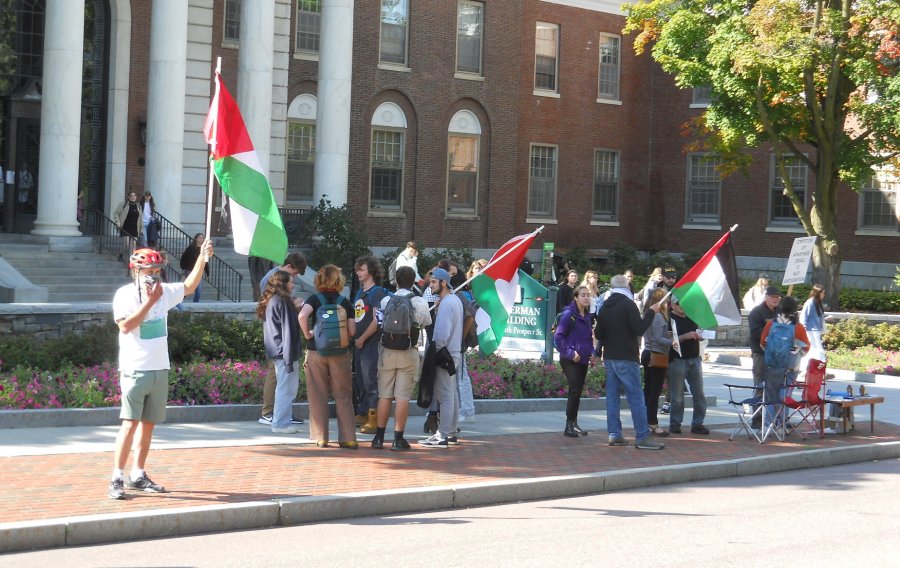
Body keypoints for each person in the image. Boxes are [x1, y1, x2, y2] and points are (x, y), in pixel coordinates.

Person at [108, 241, 212, 499]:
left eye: (157, 271)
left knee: (148, 425)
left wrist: (202, 258)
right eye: (148, 271)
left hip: (159, 367)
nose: (154, 276)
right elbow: (125, 326)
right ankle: (116, 477)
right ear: (136, 271)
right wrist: (149, 303)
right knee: (129, 424)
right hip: (135, 368)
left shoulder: (164, 292)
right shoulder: (125, 295)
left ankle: (138, 474)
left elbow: (189, 286)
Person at [594, 274, 665, 450]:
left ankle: (615, 434)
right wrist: (651, 312)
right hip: (626, 356)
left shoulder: (604, 306)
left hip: (610, 356)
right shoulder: (628, 304)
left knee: (612, 398)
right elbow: (639, 328)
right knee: (636, 398)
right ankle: (642, 436)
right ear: (626, 287)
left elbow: (599, 334)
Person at [298, 264, 358, 448]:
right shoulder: (345, 302)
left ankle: (321, 437)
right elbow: (352, 330)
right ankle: (348, 438)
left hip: (317, 351)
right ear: (338, 281)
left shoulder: (314, 299)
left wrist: (308, 334)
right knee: (344, 395)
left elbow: (302, 316)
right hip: (340, 353)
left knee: (317, 394)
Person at [372, 266, 431, 450]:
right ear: (413, 281)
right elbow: (426, 322)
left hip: (387, 351)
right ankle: (398, 439)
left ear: (396, 280)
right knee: (402, 397)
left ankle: (379, 438)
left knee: (384, 396)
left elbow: (379, 322)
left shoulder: (386, 300)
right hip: (408, 351)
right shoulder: (419, 301)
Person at [256, 253, 308, 427]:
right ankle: (270, 413)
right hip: (278, 341)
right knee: (278, 377)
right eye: (293, 276)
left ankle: (281, 413)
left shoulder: (280, 294)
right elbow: (281, 321)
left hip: (276, 339)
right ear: (288, 267)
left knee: (282, 379)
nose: (294, 281)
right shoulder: (274, 287)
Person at [419, 268, 464, 448]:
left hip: (444, 354)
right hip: (453, 353)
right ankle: (450, 432)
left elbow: (442, 334)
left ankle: (443, 435)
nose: (430, 286)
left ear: (443, 283)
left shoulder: (447, 303)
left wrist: (434, 354)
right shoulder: (454, 300)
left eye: (433, 282)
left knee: (445, 396)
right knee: (451, 395)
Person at [760, 296, 810, 434]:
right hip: (790, 367)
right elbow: (806, 348)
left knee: (770, 395)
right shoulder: (798, 327)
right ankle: (781, 425)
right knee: (784, 395)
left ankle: (768, 425)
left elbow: (763, 343)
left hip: (772, 365)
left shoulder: (771, 324)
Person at [352, 256, 389, 434]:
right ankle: (363, 411)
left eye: (362, 269)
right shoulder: (360, 293)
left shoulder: (377, 293)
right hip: (360, 344)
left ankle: (374, 417)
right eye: (358, 269)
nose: (358, 272)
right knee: (360, 379)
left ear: (371, 271)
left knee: (371, 380)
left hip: (371, 344)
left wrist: (363, 338)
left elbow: (377, 320)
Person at [554, 284, 595, 438]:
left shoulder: (588, 316)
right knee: (575, 389)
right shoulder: (568, 315)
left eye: (587, 295)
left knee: (577, 391)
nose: (586, 297)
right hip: (569, 359)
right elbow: (558, 336)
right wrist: (570, 353)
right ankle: (568, 425)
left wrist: (591, 352)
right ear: (576, 298)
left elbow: (588, 339)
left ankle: (574, 422)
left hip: (583, 359)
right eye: (583, 295)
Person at [667, 297, 709, 435]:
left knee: (699, 393)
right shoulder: (669, 318)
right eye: (678, 303)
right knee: (677, 395)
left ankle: (698, 423)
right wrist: (685, 336)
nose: (681, 306)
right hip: (677, 359)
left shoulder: (692, 316)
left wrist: (700, 335)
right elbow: (668, 340)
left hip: (694, 358)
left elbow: (699, 331)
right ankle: (675, 424)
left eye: (684, 303)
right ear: (672, 304)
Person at [640, 287, 672, 437]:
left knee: (648, 391)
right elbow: (659, 338)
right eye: (667, 298)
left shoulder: (648, 314)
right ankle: (653, 423)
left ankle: (646, 421)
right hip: (656, 355)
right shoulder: (658, 316)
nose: (669, 300)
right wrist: (672, 342)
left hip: (648, 353)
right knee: (654, 391)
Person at [748, 286, 782, 389]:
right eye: (773, 297)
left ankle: (771, 405)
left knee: (775, 385)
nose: (776, 299)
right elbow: (755, 332)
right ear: (766, 297)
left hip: (777, 353)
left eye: (778, 297)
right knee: (760, 384)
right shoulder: (757, 312)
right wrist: (772, 333)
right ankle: (757, 404)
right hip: (761, 353)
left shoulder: (781, 312)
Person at [800, 283, 827, 362]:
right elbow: (803, 316)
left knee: (813, 349)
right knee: (818, 349)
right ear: (818, 293)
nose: (824, 295)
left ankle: (811, 367)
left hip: (816, 329)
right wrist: (803, 329)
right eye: (822, 293)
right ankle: (821, 365)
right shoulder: (810, 302)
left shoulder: (817, 302)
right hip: (810, 330)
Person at [179, 233, 209, 303]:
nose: (201, 239)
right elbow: (183, 258)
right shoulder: (190, 248)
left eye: (202, 238)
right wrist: (183, 267)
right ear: (196, 238)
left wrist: (207, 272)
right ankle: (179, 300)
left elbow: (205, 262)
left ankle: (196, 304)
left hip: (198, 271)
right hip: (189, 270)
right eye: (199, 237)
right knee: (188, 287)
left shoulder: (203, 250)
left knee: (198, 290)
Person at [116, 191, 143, 264]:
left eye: (134, 196)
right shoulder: (124, 204)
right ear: (128, 197)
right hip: (125, 226)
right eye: (131, 196)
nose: (133, 197)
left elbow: (140, 219)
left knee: (133, 245)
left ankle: (131, 260)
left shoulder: (138, 206)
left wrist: (141, 229)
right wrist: (118, 223)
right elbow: (116, 213)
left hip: (135, 228)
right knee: (126, 243)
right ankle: (120, 254)